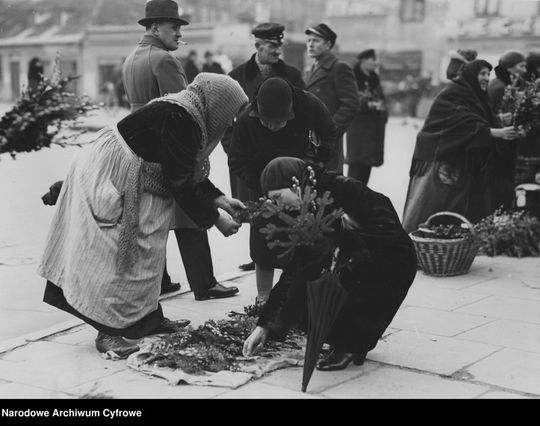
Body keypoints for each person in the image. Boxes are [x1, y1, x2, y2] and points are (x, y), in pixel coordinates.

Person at [37, 73, 249, 357]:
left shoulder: (187, 112)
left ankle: (148, 319)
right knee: (115, 257)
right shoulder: (181, 119)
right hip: (111, 174)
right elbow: (181, 183)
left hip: (135, 175)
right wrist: (216, 219)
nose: (230, 122)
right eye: (231, 114)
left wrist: (221, 199)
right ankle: (109, 333)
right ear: (219, 105)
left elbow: (184, 168)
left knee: (147, 252)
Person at [242, 157, 417, 371]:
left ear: (295, 182)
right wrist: (264, 326)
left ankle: (349, 346)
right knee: (307, 279)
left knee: (343, 283)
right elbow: (296, 267)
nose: (280, 205)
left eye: (278, 196)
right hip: (355, 258)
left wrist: (347, 243)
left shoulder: (342, 187)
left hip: (390, 259)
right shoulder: (307, 203)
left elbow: (386, 220)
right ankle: (350, 343)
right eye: (273, 200)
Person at [122, 0, 238, 299]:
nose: (178, 32)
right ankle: (205, 283)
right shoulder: (165, 60)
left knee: (151, 214)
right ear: (154, 27)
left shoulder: (132, 57)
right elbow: (186, 107)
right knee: (189, 210)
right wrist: (198, 158)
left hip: (141, 145)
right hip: (169, 140)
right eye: (174, 27)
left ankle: (159, 281)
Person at [228, 77, 338, 302]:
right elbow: (236, 160)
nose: (271, 126)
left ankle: (298, 296)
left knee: (303, 242)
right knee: (264, 244)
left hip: (302, 184)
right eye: (265, 121)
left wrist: (315, 166)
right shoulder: (247, 119)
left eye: (277, 122)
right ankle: (263, 298)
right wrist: (263, 183)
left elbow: (329, 133)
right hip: (264, 186)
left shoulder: (309, 105)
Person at [224, 22, 305, 272]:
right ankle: (259, 257)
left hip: (285, 159)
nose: (277, 50)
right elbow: (225, 121)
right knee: (256, 210)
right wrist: (233, 147)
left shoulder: (292, 75)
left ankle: (290, 254)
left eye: (280, 45)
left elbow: (304, 117)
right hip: (250, 160)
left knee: (289, 207)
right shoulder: (236, 77)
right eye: (272, 45)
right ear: (257, 45)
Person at [402, 59, 519, 233]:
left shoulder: (475, 95)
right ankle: (413, 243)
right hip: (439, 158)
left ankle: (442, 248)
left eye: (488, 74)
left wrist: (500, 121)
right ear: (472, 75)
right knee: (430, 206)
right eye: (482, 73)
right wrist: (496, 132)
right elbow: (460, 122)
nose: (486, 78)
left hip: (457, 160)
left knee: (450, 209)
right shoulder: (454, 92)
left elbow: (477, 118)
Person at [304, 23, 359, 174]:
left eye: (316, 41)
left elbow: (351, 104)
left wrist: (330, 132)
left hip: (328, 144)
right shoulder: (310, 70)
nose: (310, 44)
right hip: (309, 141)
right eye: (308, 41)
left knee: (329, 189)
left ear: (328, 44)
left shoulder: (339, 68)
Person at [346, 49, 388, 184]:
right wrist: (369, 104)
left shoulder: (374, 79)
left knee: (367, 167)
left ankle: (359, 200)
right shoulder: (353, 78)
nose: (375, 63)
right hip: (359, 129)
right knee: (356, 169)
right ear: (363, 60)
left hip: (373, 130)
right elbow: (352, 101)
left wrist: (381, 107)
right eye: (372, 59)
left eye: (375, 59)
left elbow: (382, 99)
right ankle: (350, 202)